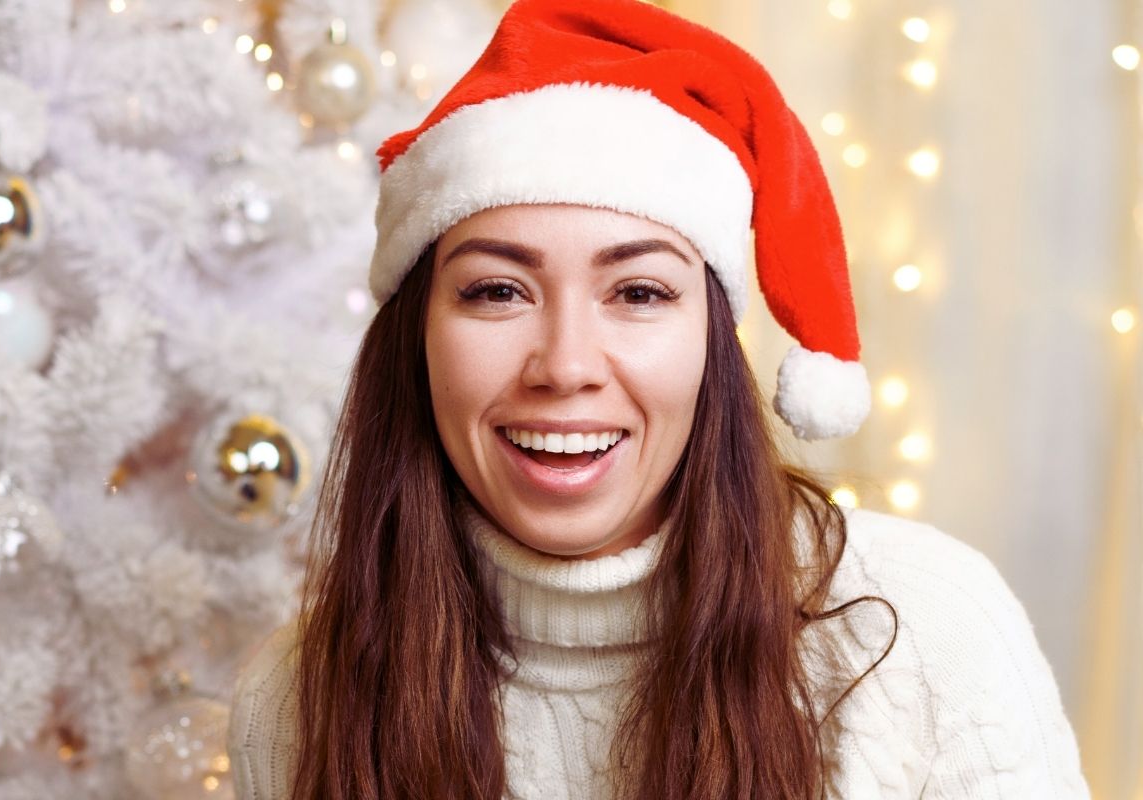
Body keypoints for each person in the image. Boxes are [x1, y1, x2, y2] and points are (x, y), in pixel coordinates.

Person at [227, 0, 1091, 797]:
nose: (565, 367)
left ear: (712, 340)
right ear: (417, 338)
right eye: (497, 292)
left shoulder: (925, 632)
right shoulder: (294, 700)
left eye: (638, 293)